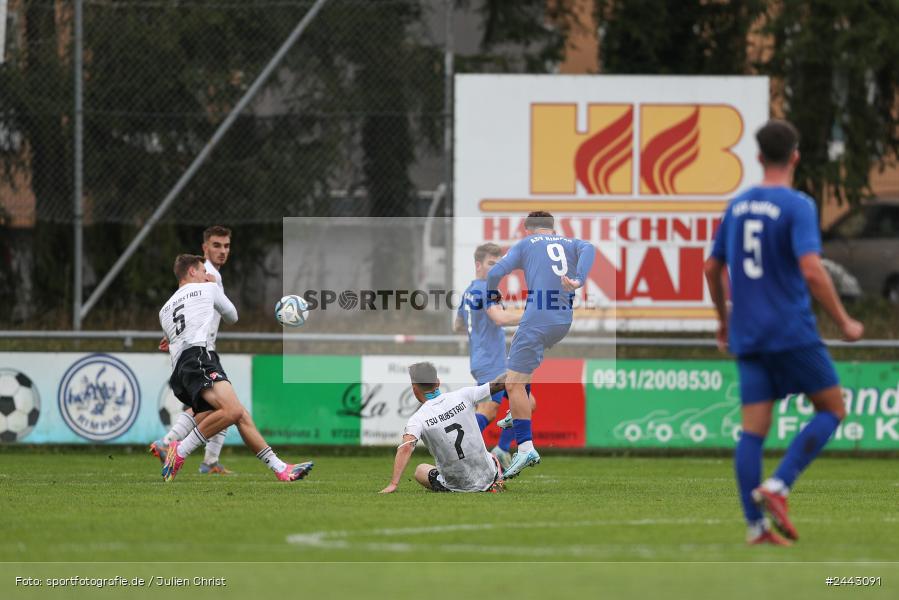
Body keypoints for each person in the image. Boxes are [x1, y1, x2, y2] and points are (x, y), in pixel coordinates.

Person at [704, 119, 863, 546]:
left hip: (749, 333)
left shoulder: (737, 206)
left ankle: (755, 527)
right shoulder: (798, 206)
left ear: (757, 157)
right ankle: (779, 485)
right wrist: (844, 321)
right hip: (792, 331)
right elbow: (812, 269)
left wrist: (723, 318)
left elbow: (711, 267)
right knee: (833, 409)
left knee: (753, 430)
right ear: (795, 156)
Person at [158, 254, 313, 483]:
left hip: (181, 369)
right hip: (199, 357)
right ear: (192, 272)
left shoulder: (165, 309)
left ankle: (281, 468)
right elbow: (232, 316)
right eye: (203, 271)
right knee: (231, 412)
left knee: (237, 412)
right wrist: (213, 286)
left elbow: (173, 336)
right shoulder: (208, 288)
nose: (206, 274)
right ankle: (179, 451)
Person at [486, 211, 595, 479]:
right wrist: (579, 279)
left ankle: (525, 447)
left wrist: (491, 295)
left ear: (529, 230)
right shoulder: (570, 242)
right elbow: (590, 248)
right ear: (552, 228)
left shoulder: (526, 244)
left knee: (513, 385)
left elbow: (497, 270)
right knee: (519, 375)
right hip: (561, 321)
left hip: (537, 318)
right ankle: (516, 411)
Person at [151, 225, 234, 474]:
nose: (222, 251)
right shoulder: (208, 276)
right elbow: (230, 314)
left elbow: (185, 307)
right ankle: (173, 446)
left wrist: (170, 335)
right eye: (216, 245)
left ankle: (208, 460)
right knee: (227, 407)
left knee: (215, 407)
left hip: (197, 349)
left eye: (226, 246)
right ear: (204, 248)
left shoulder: (203, 276)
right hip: (202, 351)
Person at [454, 242, 536, 469]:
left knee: (528, 403)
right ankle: (456, 455)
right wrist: (532, 315)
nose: (495, 269)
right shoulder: (486, 289)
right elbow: (499, 319)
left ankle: (500, 449)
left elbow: (458, 325)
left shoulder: (469, 291)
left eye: (497, 264)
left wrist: (478, 330)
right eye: (491, 263)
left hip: (485, 360)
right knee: (489, 411)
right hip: (492, 362)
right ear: (478, 265)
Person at [379, 362, 507, 494]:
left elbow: (406, 447)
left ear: (414, 389)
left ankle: (451, 487)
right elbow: (498, 384)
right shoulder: (463, 395)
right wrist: (518, 369)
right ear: (438, 382)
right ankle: (496, 480)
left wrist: (393, 484)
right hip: (489, 477)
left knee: (420, 470)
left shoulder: (417, 419)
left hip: (457, 485)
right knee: (490, 456)